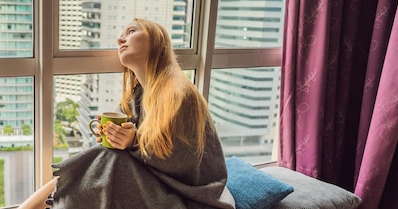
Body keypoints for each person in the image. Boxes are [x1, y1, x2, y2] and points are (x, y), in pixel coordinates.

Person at [18, 18, 235, 209]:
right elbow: (124, 145)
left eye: (131, 31)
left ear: (157, 41)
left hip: (194, 198)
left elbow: (187, 163)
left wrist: (134, 142)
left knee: (109, 157)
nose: (121, 40)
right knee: (105, 153)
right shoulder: (136, 96)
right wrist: (113, 136)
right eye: (121, 35)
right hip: (162, 186)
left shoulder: (180, 92)